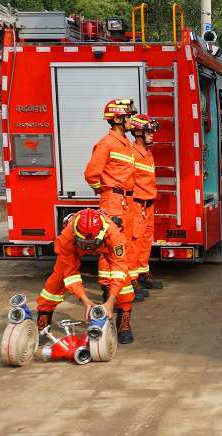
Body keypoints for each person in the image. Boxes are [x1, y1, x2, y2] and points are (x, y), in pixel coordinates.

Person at [35, 209, 136, 344]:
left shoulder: (114, 234)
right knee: (54, 285)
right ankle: (42, 326)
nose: (89, 249)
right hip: (73, 249)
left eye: (92, 244)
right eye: (84, 244)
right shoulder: (66, 237)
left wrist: (111, 301)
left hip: (106, 247)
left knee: (125, 286)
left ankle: (124, 326)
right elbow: (70, 274)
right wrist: (85, 301)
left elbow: (119, 269)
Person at [83, 98, 142, 302]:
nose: (131, 120)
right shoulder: (106, 143)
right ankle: (107, 290)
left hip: (127, 201)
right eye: (128, 116)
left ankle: (120, 289)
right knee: (110, 247)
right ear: (118, 119)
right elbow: (91, 174)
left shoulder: (126, 144)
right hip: (114, 201)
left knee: (124, 246)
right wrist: (106, 191)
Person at [126, 114, 164, 293]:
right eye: (149, 131)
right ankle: (132, 280)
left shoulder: (147, 153)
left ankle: (143, 273)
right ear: (138, 132)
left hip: (148, 203)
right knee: (135, 242)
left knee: (146, 240)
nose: (152, 134)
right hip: (137, 204)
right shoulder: (132, 153)